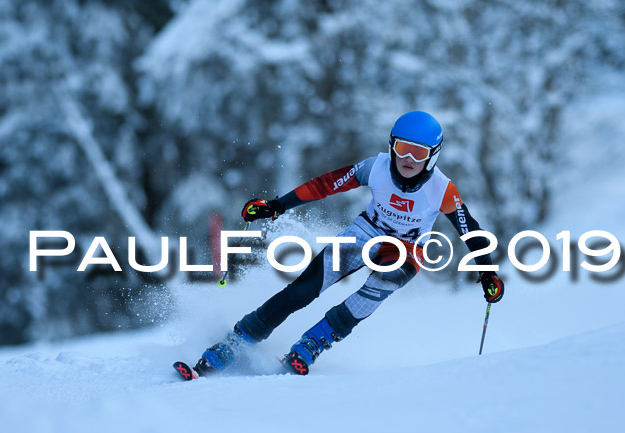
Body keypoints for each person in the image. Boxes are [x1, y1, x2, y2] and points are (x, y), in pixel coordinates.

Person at [194, 110, 504, 376]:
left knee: (380, 285)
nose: (408, 159)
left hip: (407, 249)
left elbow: (471, 232)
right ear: (392, 146)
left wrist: (487, 272)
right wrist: (276, 206)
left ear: (433, 155)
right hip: (367, 231)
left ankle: (312, 343)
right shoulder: (376, 167)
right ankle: (236, 342)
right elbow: (325, 185)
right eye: (403, 149)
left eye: (419, 153)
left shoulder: (442, 189)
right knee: (304, 289)